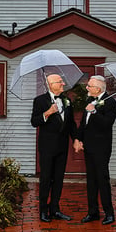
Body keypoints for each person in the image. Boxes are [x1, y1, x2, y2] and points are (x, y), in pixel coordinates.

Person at [30, 73, 76, 222]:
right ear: (50, 84)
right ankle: (43, 210)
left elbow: (71, 124)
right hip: (47, 147)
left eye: (62, 81)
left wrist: (76, 139)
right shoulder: (40, 100)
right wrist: (48, 112)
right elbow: (34, 121)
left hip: (62, 147)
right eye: (59, 82)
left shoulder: (67, 100)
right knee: (46, 178)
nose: (63, 84)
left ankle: (55, 209)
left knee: (58, 179)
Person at [74, 75, 116, 225]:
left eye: (89, 86)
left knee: (102, 179)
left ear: (98, 89)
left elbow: (107, 124)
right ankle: (92, 212)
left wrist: (94, 112)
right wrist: (78, 139)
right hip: (89, 147)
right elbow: (83, 125)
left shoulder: (110, 102)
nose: (86, 88)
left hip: (101, 148)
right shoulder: (89, 101)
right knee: (91, 181)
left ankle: (109, 213)